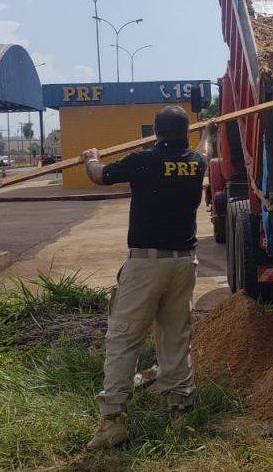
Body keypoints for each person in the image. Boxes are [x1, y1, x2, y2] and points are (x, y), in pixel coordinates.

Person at [82, 105, 215, 451]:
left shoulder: (142, 160)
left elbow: (99, 176)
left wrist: (91, 157)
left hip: (145, 265)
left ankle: (112, 422)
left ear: (156, 132)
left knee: (124, 339)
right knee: (175, 336)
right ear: (185, 132)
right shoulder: (194, 163)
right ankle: (180, 411)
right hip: (183, 263)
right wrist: (209, 132)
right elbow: (205, 152)